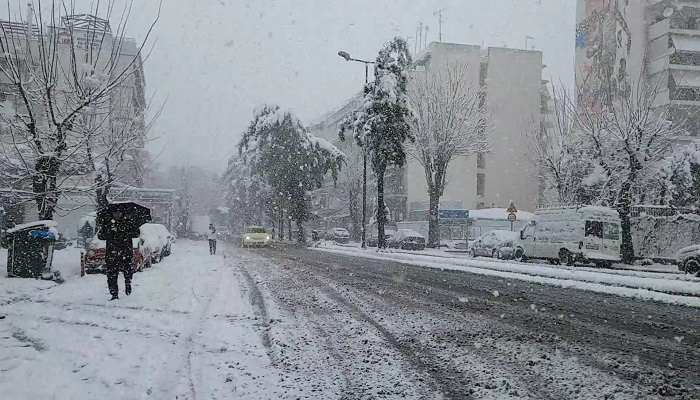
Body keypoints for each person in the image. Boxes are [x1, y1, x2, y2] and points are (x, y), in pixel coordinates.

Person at [104, 211, 134, 300]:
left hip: (125, 252)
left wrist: (124, 231)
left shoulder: (127, 223)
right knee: (111, 275)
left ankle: (128, 283)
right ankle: (114, 294)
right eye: (115, 213)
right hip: (111, 254)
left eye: (119, 213)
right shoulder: (108, 224)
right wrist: (109, 231)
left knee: (127, 271)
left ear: (122, 214)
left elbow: (136, 233)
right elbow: (101, 235)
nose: (117, 215)